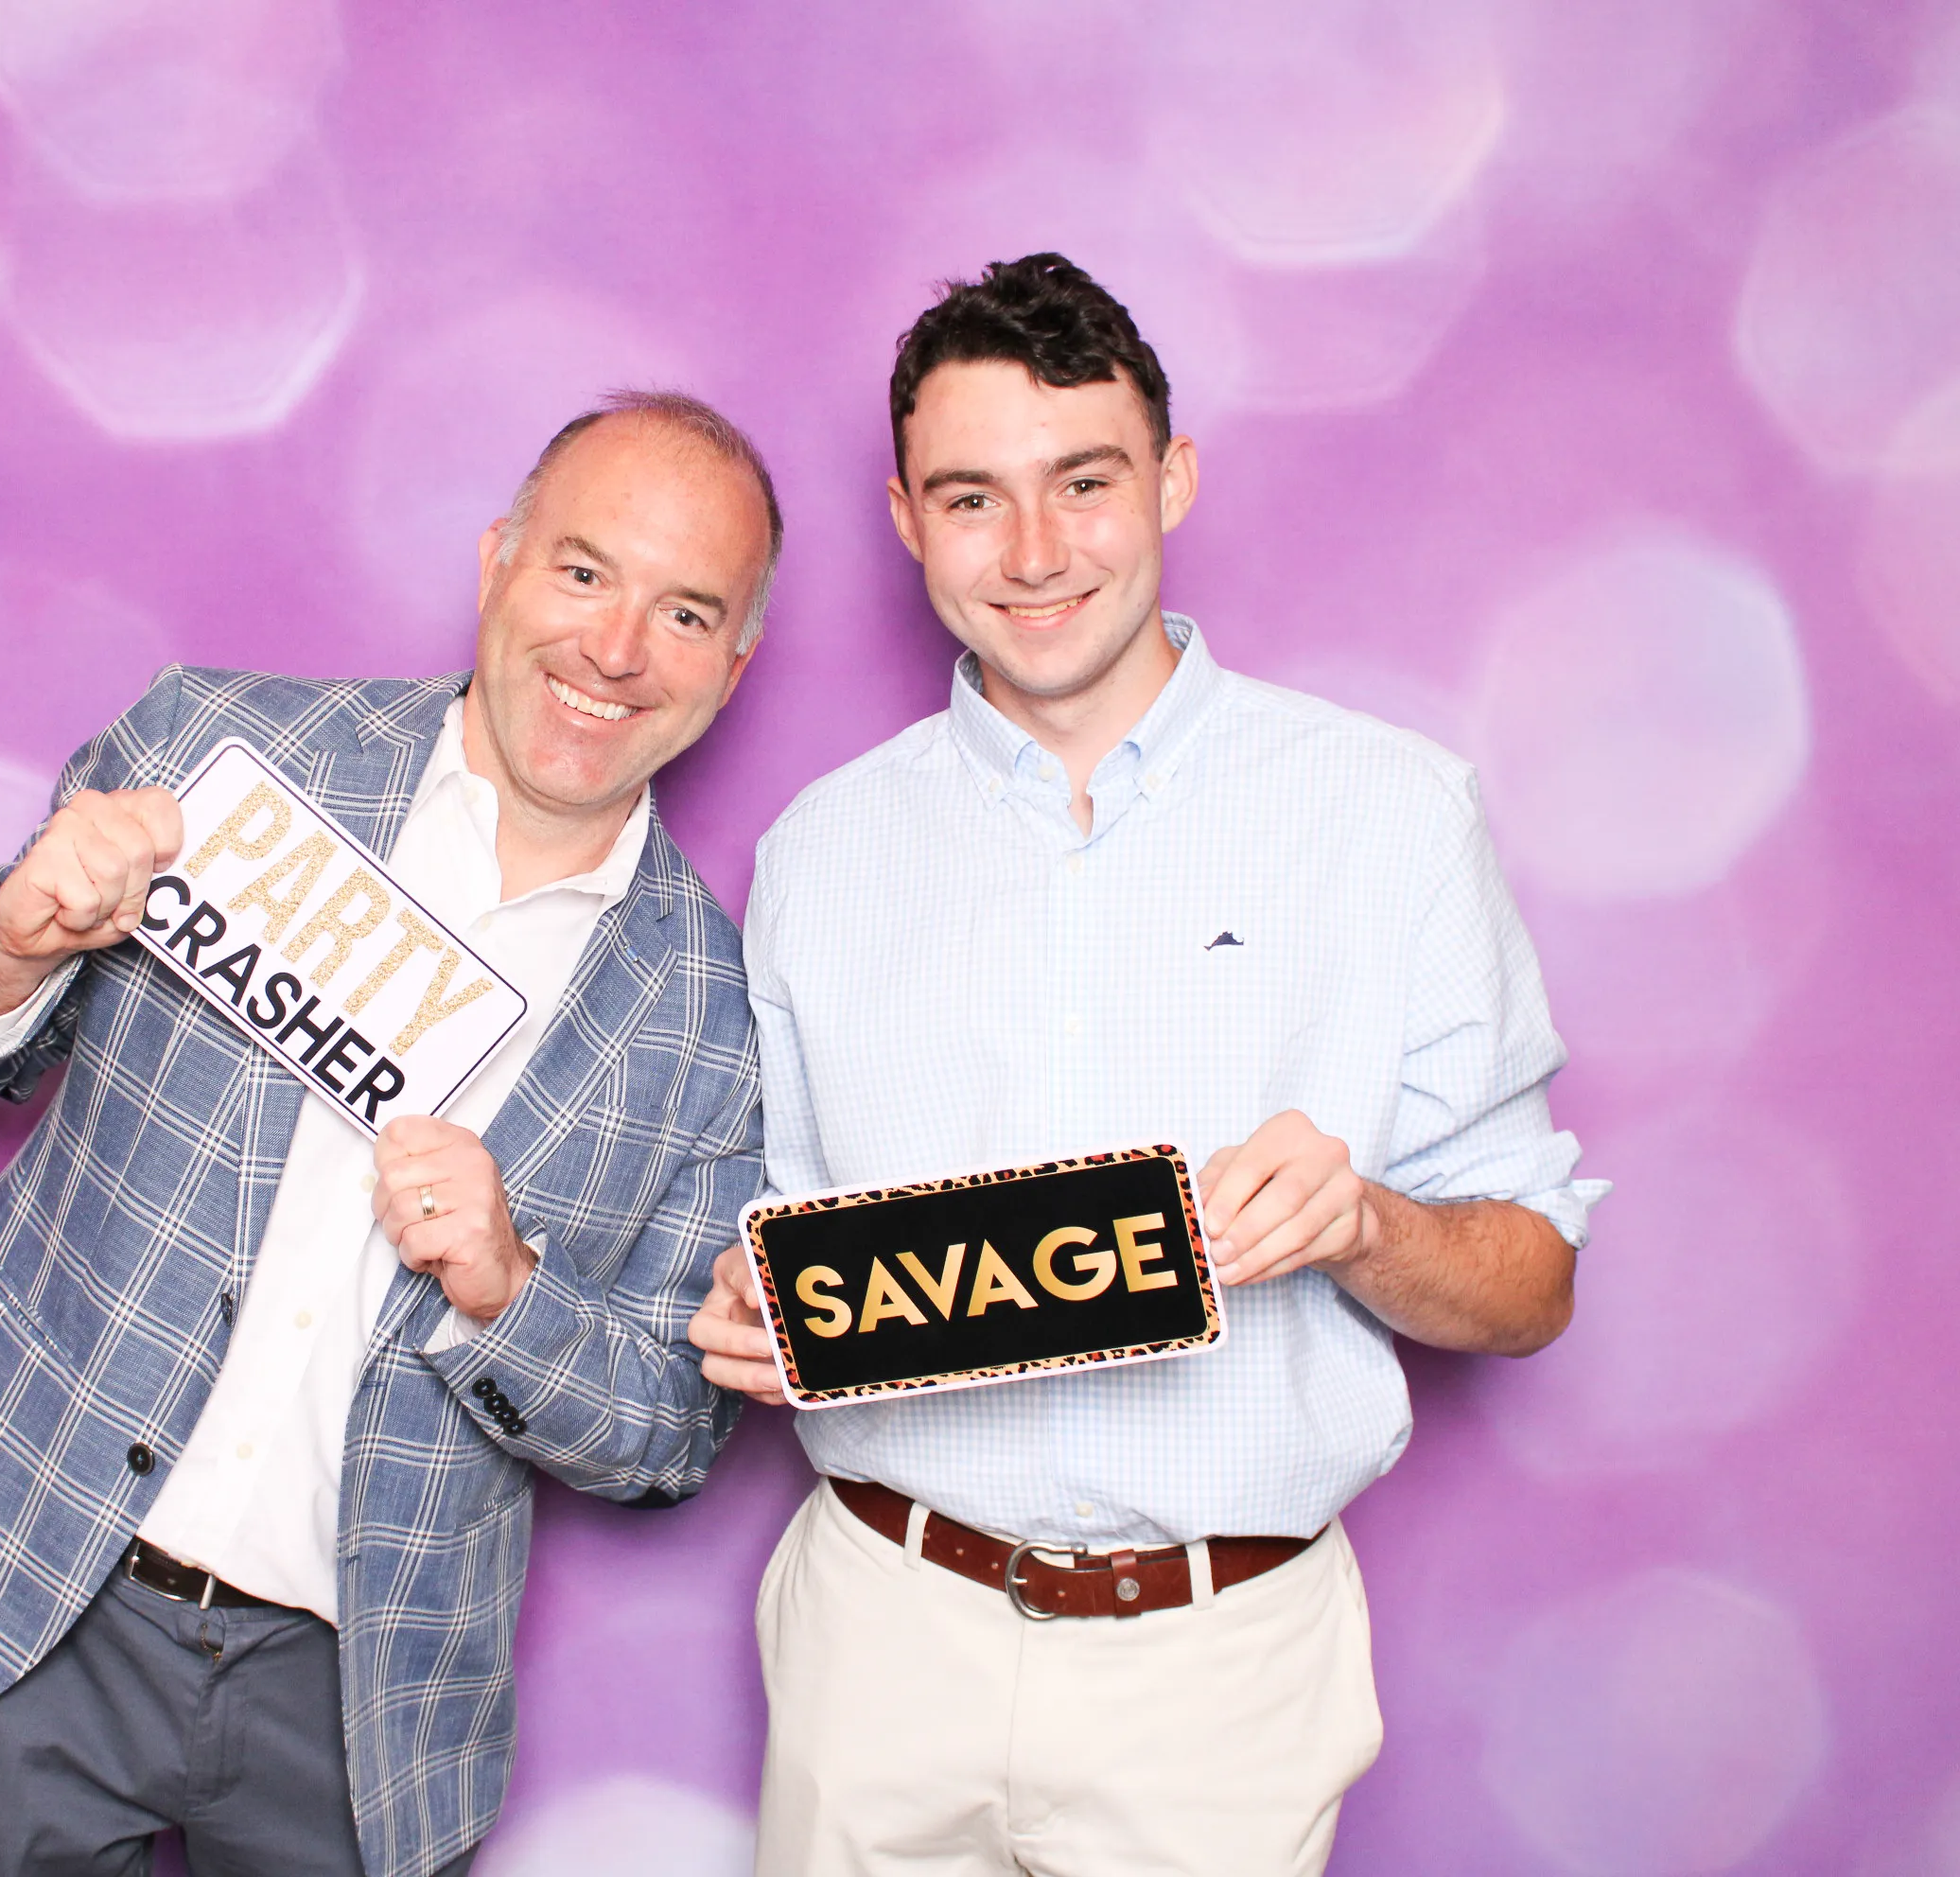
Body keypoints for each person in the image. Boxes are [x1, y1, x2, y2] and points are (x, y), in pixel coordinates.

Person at [689, 254, 1606, 1875]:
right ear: (906, 520)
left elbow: (1532, 1286)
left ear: (1171, 482)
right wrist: (753, 1307)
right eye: (972, 498)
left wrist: (1363, 1226)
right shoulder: (819, 851)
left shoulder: (1390, 819)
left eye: (1085, 483)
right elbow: (785, 1236)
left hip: (1221, 1668)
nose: (1034, 554)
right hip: (876, 1638)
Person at [0, 390, 776, 1877]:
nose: (615, 648)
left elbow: (666, 1434)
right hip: (23, 1586)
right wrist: (13, 951)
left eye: (687, 610)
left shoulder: (710, 1012)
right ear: (500, 562)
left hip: (352, 1714)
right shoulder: (224, 758)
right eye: (583, 573)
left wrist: (508, 1295)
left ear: (736, 661)